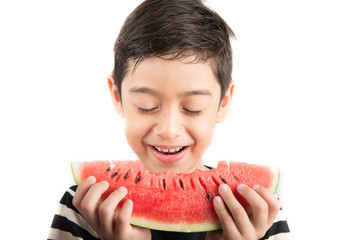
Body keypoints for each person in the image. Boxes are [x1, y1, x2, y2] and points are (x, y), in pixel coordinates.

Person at [48, 0, 292, 239]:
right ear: (117, 96)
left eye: (193, 108)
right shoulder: (85, 204)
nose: (169, 130)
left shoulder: (257, 210)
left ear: (223, 102)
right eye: (146, 106)